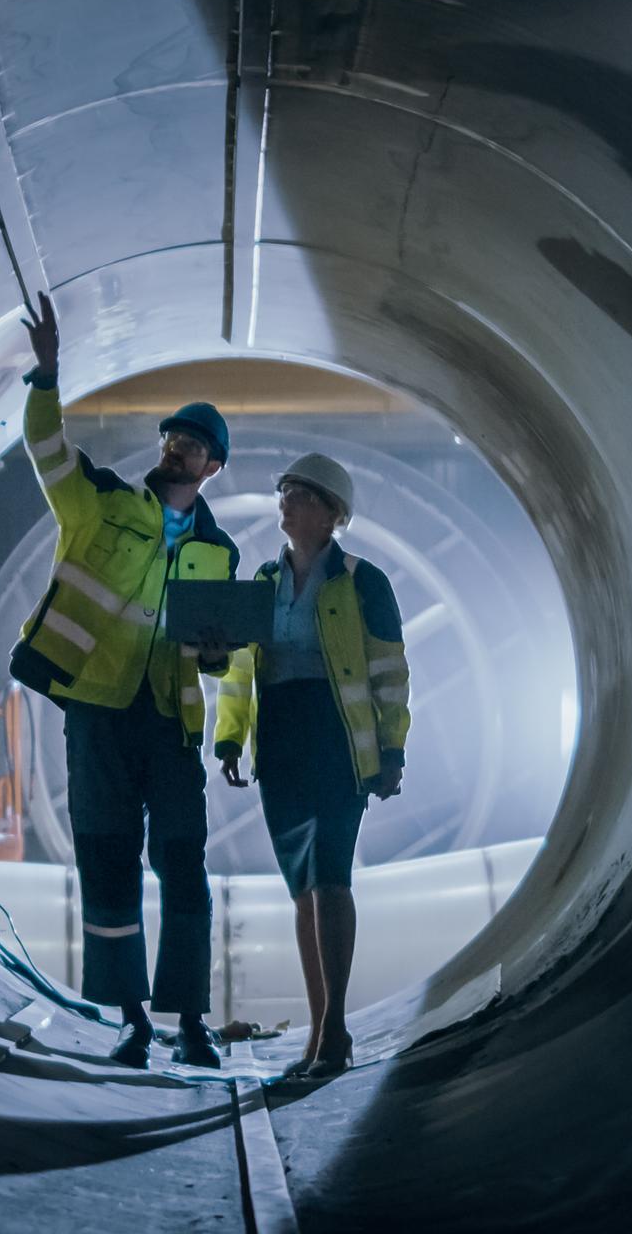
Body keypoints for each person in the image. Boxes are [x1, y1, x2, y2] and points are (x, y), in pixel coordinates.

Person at [8, 293, 238, 1068]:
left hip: (170, 725)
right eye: (173, 436)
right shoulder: (101, 502)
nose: (178, 448)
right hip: (98, 715)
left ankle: (192, 1024)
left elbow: (219, 656)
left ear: (213, 467)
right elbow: (45, 448)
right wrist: (47, 374)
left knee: (183, 866)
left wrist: (217, 655)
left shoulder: (220, 554)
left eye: (194, 444)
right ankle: (135, 1022)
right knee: (107, 860)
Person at [209, 453, 410, 1081]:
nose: (285, 501)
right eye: (285, 492)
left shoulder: (362, 582)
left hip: (336, 743)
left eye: (299, 493)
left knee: (330, 877)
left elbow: (389, 673)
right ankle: (321, 1026)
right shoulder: (264, 582)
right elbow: (242, 671)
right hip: (283, 744)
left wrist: (392, 749)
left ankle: (336, 1027)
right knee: (302, 887)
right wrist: (229, 738)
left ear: (331, 514)